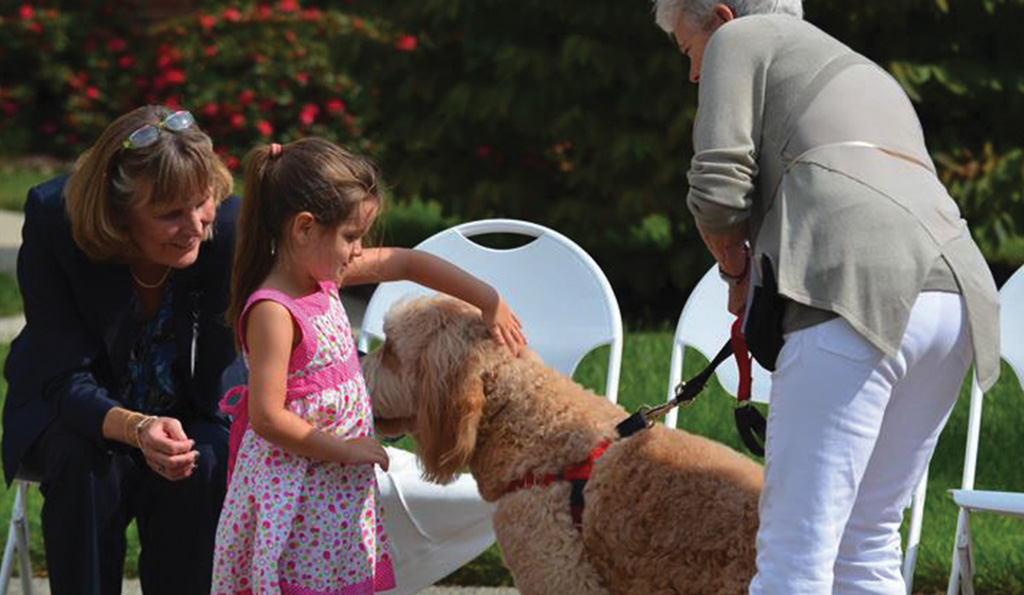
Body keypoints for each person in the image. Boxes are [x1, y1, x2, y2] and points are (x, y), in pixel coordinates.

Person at [651, 1, 1000, 593]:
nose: (693, 73)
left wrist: (734, 272)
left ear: (720, 14)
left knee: (794, 556)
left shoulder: (741, 39)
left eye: (689, 51)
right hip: (958, 298)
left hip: (852, 290)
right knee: (867, 543)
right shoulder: (863, 68)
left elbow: (716, 191)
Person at [210, 138, 526, 594]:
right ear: (304, 228)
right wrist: (348, 449)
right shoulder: (275, 311)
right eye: (351, 237)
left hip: (333, 488)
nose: (358, 252)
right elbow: (267, 416)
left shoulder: (321, 275)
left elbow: (406, 262)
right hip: (297, 495)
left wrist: (487, 299)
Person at [1, 105, 241, 594]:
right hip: (74, 404)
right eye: (170, 214)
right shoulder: (56, 221)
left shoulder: (229, 227)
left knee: (208, 456)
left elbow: (320, 260)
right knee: (84, 462)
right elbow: (64, 376)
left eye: (202, 202)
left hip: (187, 403)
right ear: (118, 214)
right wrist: (138, 428)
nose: (195, 225)